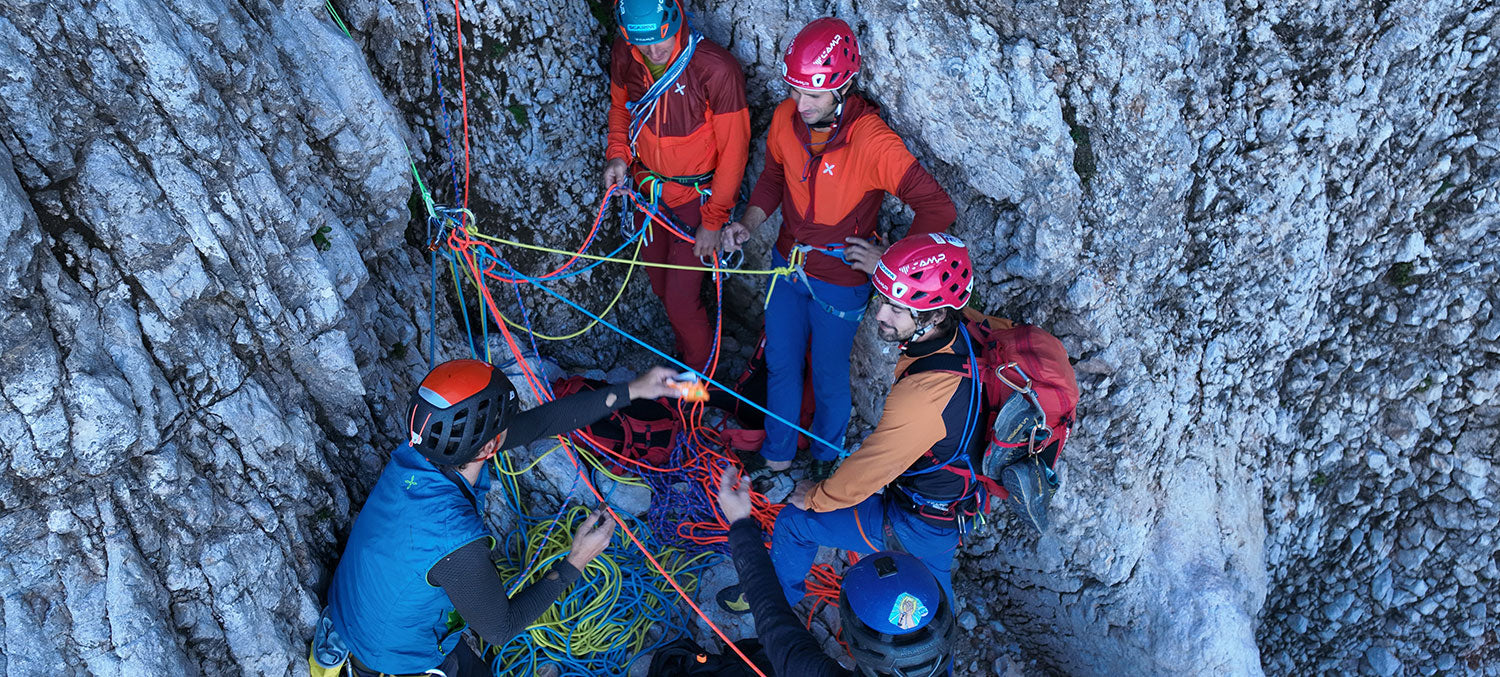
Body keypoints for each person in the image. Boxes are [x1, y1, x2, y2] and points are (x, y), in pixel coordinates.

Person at [322, 359, 681, 677]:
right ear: (489, 447)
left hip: (360, 616)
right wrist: (576, 562)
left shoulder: (419, 451)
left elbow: (541, 423)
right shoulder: (454, 539)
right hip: (391, 660)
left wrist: (634, 389)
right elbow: (500, 628)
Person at [721, 17, 955, 482]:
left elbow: (937, 208)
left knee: (828, 376)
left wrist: (888, 265)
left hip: (842, 280)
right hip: (786, 266)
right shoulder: (787, 121)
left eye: (813, 94)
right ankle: (777, 458)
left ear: (843, 87)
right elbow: (771, 178)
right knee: (783, 365)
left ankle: (826, 457)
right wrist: (748, 223)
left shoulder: (872, 141)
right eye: (794, 91)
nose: (799, 104)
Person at [722, 234, 981, 613]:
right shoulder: (967, 334)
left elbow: (865, 476)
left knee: (795, 522)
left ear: (937, 314)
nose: (880, 315)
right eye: (884, 301)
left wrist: (814, 496)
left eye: (897, 309)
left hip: (916, 522)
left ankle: (770, 606)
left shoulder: (923, 396)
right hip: (952, 507)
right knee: (936, 610)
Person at [605, 0, 750, 371]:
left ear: (677, 21)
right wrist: (618, 156)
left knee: (682, 301)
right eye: (645, 45)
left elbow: (734, 152)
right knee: (660, 288)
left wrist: (714, 220)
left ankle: (700, 382)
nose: (654, 52)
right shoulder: (627, 53)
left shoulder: (715, 69)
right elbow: (621, 108)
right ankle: (686, 355)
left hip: (694, 203)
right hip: (650, 196)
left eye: (662, 41)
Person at [715, 467, 955, 677]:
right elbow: (774, 624)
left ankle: (786, 592)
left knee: (794, 522)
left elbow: (772, 615)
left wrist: (739, 522)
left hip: (918, 522)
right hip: (946, 525)